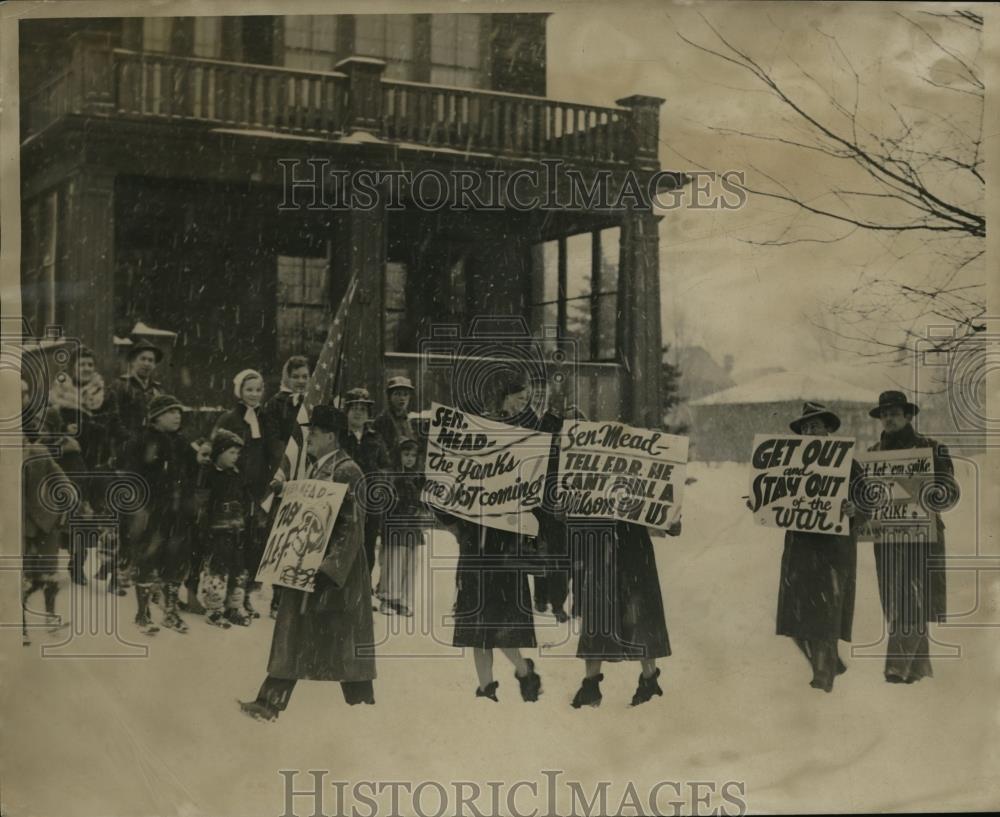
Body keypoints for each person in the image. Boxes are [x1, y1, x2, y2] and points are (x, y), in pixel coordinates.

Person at [239, 405, 377, 721]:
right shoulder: (320, 468)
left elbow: (353, 527)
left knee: (343, 638)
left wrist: (330, 570)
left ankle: (362, 710)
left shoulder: (348, 471)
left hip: (335, 570)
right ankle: (270, 702)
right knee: (298, 632)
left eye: (313, 433)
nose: (309, 438)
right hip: (308, 564)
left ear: (330, 436)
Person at [436, 369, 544, 704]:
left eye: (526, 400)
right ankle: (486, 688)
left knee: (504, 621)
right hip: (475, 542)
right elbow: (446, 478)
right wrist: (452, 525)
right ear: (504, 396)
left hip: (506, 543)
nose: (523, 404)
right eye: (520, 397)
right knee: (476, 625)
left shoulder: (527, 436)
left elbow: (535, 488)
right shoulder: (476, 429)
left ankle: (523, 668)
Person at [868, 390, 958, 684]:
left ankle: (896, 666)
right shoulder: (871, 456)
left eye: (894, 412)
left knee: (915, 596)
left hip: (923, 537)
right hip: (888, 538)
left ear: (908, 416)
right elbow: (861, 498)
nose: (888, 418)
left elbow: (950, 493)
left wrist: (930, 491)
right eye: (884, 413)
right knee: (897, 598)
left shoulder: (932, 449)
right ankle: (919, 668)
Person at [772, 402, 861, 693]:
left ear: (828, 429)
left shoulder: (848, 463)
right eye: (806, 428)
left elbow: (868, 499)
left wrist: (854, 508)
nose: (810, 431)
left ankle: (823, 675)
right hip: (800, 548)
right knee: (795, 616)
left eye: (816, 426)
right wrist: (762, 501)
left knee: (825, 612)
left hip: (833, 549)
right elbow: (773, 494)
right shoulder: (790, 464)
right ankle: (829, 662)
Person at [124, 394, 196, 634]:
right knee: (148, 558)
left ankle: (171, 612)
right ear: (156, 417)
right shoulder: (143, 440)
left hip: (176, 512)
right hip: (151, 511)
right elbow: (133, 476)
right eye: (171, 412)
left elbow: (190, 473)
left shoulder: (182, 443)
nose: (177, 416)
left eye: (179, 411)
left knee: (175, 559)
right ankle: (142, 613)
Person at [48, 346, 119, 586]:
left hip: (96, 459)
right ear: (72, 368)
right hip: (69, 462)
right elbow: (50, 427)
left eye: (90, 364)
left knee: (91, 515)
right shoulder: (59, 395)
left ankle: (85, 564)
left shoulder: (102, 395)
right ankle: (64, 563)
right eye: (81, 364)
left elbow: (112, 427)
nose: (87, 368)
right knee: (71, 511)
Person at [214, 369, 278, 619]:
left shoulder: (266, 419)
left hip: (257, 490)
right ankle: (224, 596)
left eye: (258, 389)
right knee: (231, 543)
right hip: (233, 490)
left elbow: (271, 452)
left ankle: (245, 595)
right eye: (248, 389)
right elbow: (218, 449)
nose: (253, 394)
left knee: (254, 543)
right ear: (239, 391)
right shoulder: (230, 419)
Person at [21, 379, 73, 645]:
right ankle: (19, 624)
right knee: (20, 577)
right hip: (17, 527)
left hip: (46, 522)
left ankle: (51, 615)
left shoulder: (39, 453)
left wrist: (65, 505)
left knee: (49, 573)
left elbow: (63, 482)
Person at [110, 340, 164, 595]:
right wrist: (131, 442)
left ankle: (136, 566)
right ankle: (118, 570)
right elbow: (114, 420)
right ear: (133, 361)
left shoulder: (157, 391)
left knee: (145, 518)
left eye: (151, 360)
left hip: (150, 461)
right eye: (143, 358)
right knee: (126, 515)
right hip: (126, 458)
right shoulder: (121, 387)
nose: (147, 364)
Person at [261, 355, 311, 617]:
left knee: (303, 536)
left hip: (309, 478)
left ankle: (296, 593)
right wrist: (287, 468)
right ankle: (277, 597)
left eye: (305, 376)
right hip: (285, 476)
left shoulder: (313, 403)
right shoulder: (276, 404)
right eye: (296, 376)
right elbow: (273, 441)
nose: (301, 381)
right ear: (287, 378)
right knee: (283, 534)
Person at [198, 430, 253, 628]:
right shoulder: (209, 475)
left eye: (237, 454)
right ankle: (214, 608)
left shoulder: (237, 476)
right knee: (217, 569)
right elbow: (202, 505)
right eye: (231, 452)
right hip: (217, 532)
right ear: (219, 453)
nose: (235, 457)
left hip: (236, 530)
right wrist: (205, 529)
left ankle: (234, 606)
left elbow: (244, 500)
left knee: (238, 568)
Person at [340, 387, 391, 585]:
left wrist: (379, 486)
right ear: (347, 411)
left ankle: (363, 588)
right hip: (346, 500)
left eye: (363, 408)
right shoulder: (340, 437)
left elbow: (385, 466)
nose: (359, 412)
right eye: (354, 407)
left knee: (367, 546)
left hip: (370, 502)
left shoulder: (375, 437)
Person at [379, 439, 424, 617]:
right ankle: (388, 599)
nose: (410, 459)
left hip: (413, 525)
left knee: (411, 563)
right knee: (394, 562)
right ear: (399, 455)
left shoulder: (420, 477)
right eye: (406, 455)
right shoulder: (392, 475)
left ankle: (405, 601)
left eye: (413, 455)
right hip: (396, 522)